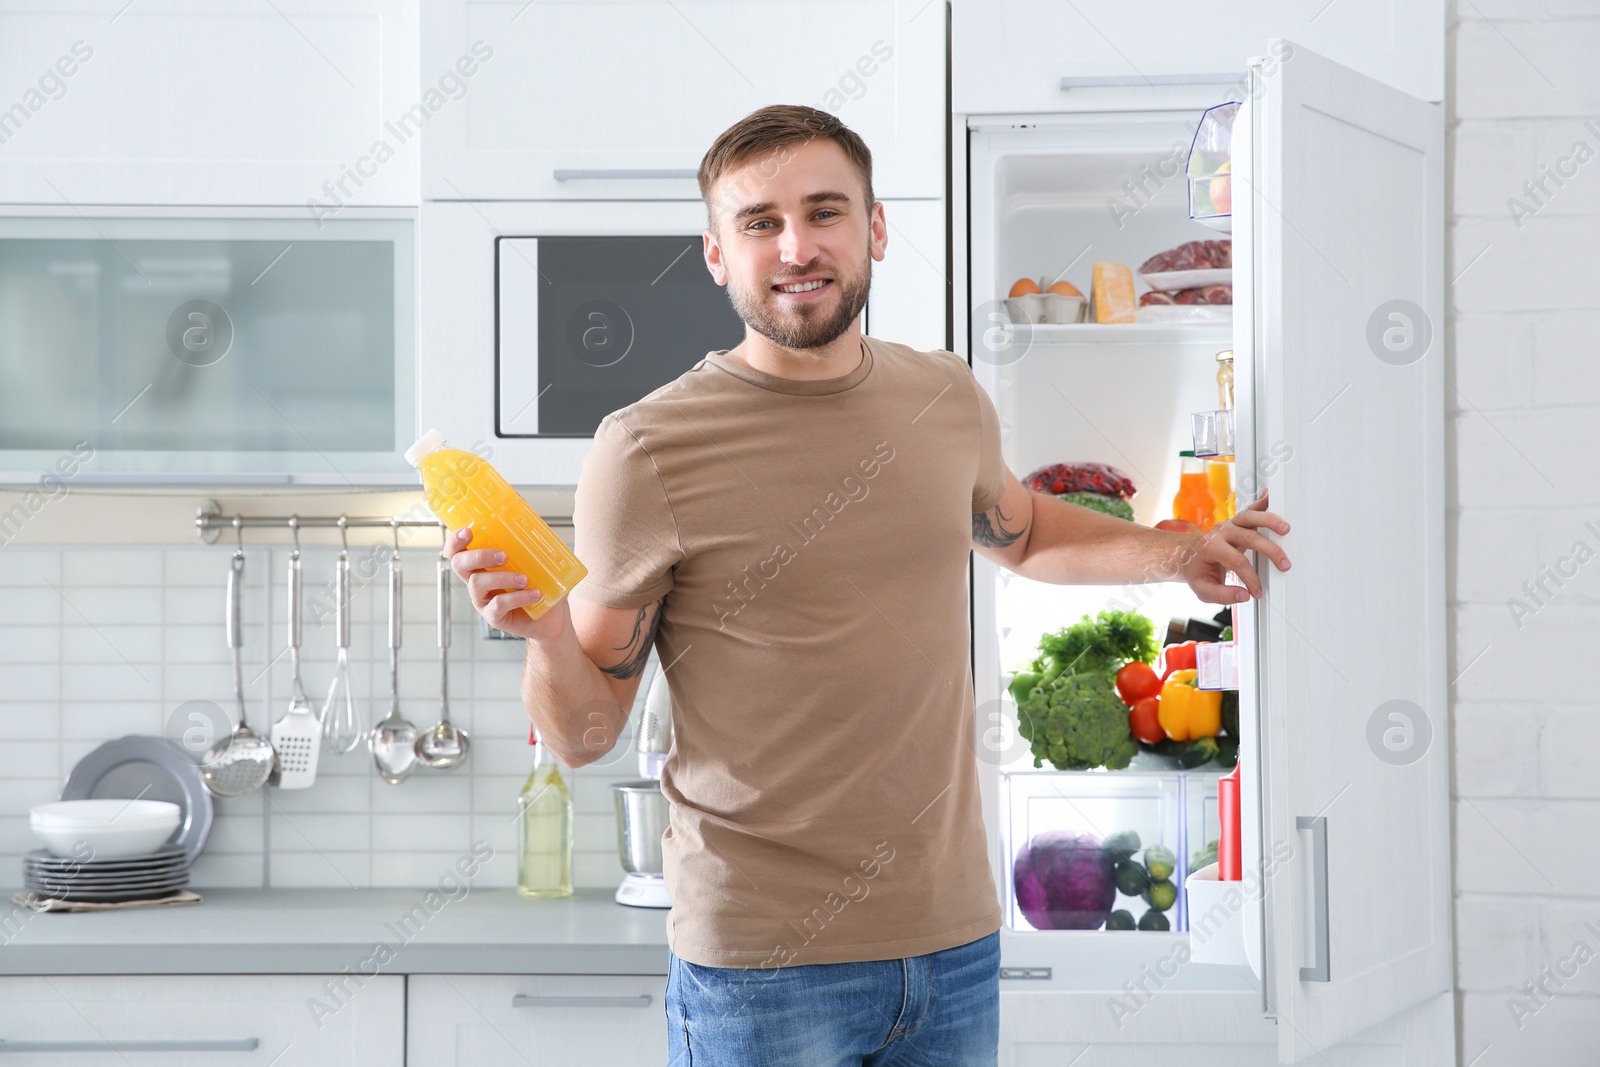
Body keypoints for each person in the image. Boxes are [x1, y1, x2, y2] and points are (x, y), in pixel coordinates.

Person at [447, 104, 1292, 1067]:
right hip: (761, 969)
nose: (797, 246)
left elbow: (1023, 532)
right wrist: (550, 635)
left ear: (876, 227)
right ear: (718, 254)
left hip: (954, 948)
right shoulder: (646, 448)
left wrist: (1176, 551)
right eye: (760, 222)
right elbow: (584, 734)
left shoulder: (944, 398)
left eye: (824, 211)